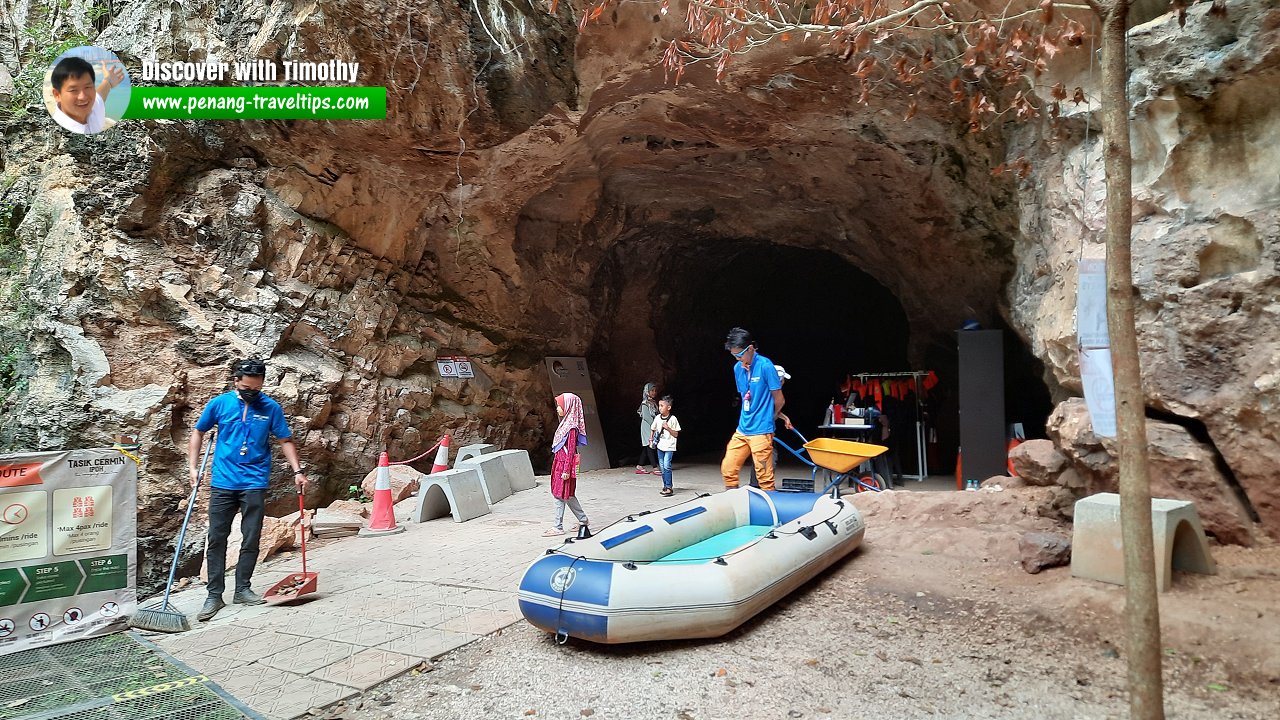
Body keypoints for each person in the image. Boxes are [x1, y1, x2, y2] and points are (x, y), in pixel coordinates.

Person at [188, 358, 309, 621]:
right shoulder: (219, 404)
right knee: (216, 538)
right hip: (222, 482)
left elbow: (285, 440)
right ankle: (214, 594)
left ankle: (243, 588)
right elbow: (198, 432)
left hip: (255, 481)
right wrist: (193, 467)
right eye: (246, 388)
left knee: (251, 536)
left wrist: (297, 471)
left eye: (256, 389)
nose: (251, 394)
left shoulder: (270, 407)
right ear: (236, 382)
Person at [721, 327, 786, 491]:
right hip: (743, 429)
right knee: (728, 468)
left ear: (750, 348)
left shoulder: (765, 366)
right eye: (734, 356)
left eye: (739, 354)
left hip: (761, 430)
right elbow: (745, 397)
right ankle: (733, 504)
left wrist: (770, 418)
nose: (737, 359)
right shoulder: (738, 369)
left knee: (764, 476)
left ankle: (769, 510)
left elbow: (779, 399)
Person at [544, 392, 590, 537]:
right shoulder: (567, 424)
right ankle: (583, 520)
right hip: (562, 463)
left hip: (565, 464)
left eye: (560, 405)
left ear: (569, 406)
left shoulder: (571, 427)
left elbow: (570, 450)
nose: (558, 408)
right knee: (568, 494)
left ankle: (557, 526)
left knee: (560, 494)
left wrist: (566, 470)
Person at [49, 56, 124, 135]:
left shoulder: (93, 108)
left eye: (87, 87)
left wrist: (109, 80)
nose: (83, 97)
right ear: (57, 95)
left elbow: (99, 96)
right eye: (73, 90)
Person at [746, 365, 793, 487]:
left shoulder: (766, 390)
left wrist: (784, 418)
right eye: (782, 380)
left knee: (764, 456)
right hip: (762, 431)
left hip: (765, 430)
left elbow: (772, 410)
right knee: (767, 457)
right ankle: (758, 486)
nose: (783, 382)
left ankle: (757, 484)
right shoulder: (769, 392)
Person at [650, 395, 682, 496]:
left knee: (667, 466)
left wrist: (668, 428)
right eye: (659, 405)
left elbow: (676, 434)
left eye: (662, 405)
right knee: (663, 467)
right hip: (660, 446)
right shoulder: (657, 418)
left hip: (669, 446)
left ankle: (669, 487)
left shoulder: (673, 419)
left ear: (668, 407)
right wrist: (651, 439)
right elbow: (653, 428)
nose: (659, 408)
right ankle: (665, 485)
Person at [636, 382, 660, 475]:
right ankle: (654, 467)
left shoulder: (653, 402)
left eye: (655, 390)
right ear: (647, 392)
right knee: (649, 446)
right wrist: (655, 426)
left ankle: (639, 466)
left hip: (653, 426)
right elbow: (646, 417)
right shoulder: (645, 403)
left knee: (646, 448)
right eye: (651, 390)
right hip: (647, 427)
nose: (654, 392)